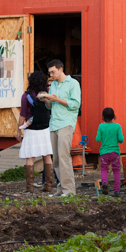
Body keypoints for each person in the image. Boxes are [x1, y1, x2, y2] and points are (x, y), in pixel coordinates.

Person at [44, 59, 81, 197]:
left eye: (53, 72)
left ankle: (69, 191)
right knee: (57, 159)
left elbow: (76, 104)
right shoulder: (53, 84)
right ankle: (61, 189)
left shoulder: (73, 83)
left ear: (61, 69)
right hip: (54, 123)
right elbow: (50, 106)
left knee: (64, 157)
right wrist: (46, 99)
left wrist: (57, 99)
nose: (51, 75)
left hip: (66, 123)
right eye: (50, 73)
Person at [17, 71, 54, 194]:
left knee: (30, 157)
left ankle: (30, 187)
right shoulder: (46, 95)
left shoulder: (26, 96)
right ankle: (48, 185)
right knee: (47, 156)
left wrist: (18, 130)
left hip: (31, 130)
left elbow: (22, 115)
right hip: (45, 128)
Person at [96, 107, 124, 197]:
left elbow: (97, 139)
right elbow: (121, 139)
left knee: (104, 169)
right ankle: (117, 190)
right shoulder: (117, 126)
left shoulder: (101, 126)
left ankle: (104, 182)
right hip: (115, 152)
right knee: (116, 171)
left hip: (104, 152)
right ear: (113, 116)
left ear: (103, 116)